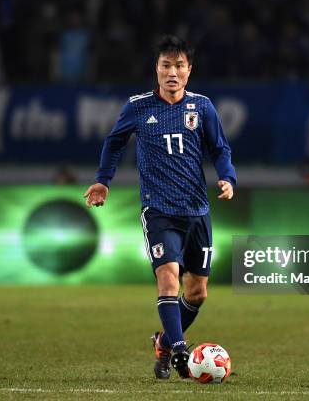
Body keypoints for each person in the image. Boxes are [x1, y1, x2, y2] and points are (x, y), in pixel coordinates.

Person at [84, 35, 236, 379]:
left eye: (179, 65)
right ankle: (180, 350)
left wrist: (227, 177)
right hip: (159, 210)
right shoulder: (138, 107)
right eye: (166, 65)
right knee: (168, 278)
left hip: (197, 210)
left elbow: (219, 148)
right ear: (156, 69)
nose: (172, 72)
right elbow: (114, 142)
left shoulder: (202, 107)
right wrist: (103, 180)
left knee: (197, 292)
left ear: (189, 70)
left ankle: (164, 342)